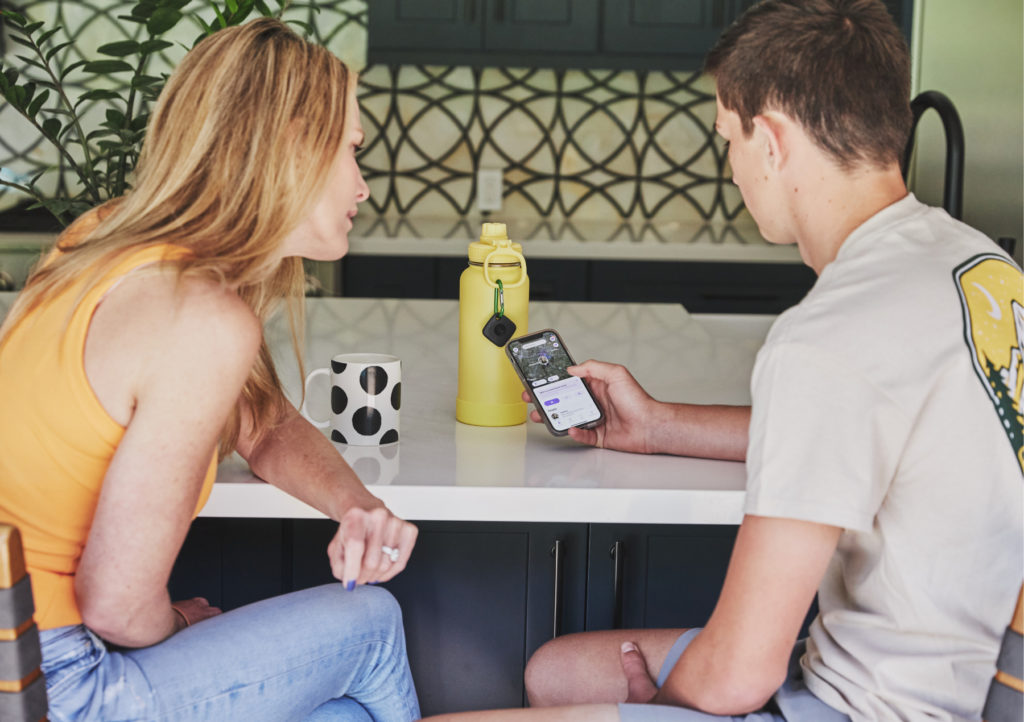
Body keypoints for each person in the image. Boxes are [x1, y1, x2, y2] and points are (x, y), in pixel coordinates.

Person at [423, 0, 1023, 720]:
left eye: (728, 139)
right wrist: (658, 426)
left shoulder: (827, 338)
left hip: (868, 707)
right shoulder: (982, 268)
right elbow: (887, 435)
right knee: (560, 673)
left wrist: (665, 704)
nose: (732, 168)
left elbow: (737, 678)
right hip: (964, 679)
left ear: (769, 140)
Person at [0, 18, 421, 721]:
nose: (364, 186)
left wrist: (358, 508)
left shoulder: (104, 242)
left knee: (342, 716)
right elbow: (117, 605)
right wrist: (188, 627)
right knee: (371, 624)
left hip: (18, 660)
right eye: (352, 151)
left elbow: (264, 426)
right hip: (58, 682)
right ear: (290, 146)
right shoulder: (200, 318)